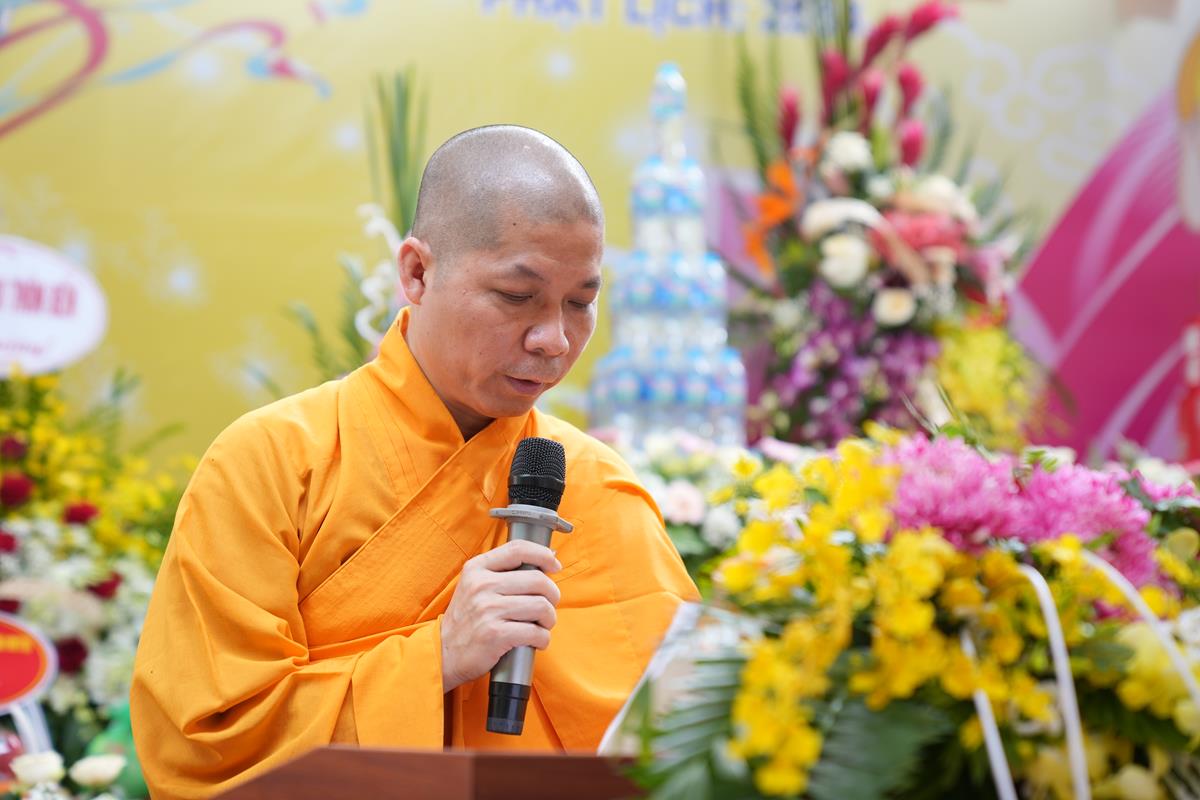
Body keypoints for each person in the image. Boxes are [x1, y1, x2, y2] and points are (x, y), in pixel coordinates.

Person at [130, 125, 699, 797]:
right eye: (517, 296)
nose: (553, 339)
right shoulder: (271, 464)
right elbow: (207, 744)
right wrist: (438, 658)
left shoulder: (601, 488)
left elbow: (685, 746)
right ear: (417, 274)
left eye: (581, 303)